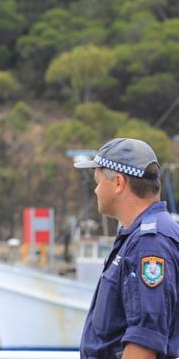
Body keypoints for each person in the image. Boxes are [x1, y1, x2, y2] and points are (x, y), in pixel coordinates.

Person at [75, 138, 179, 359]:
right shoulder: (139, 237)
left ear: (119, 183)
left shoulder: (150, 244)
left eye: (98, 181)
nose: (95, 190)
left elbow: (144, 344)